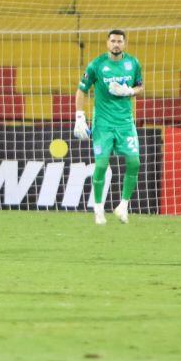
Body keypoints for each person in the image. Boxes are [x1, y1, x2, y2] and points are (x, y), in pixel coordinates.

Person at [74, 30, 143, 225]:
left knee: (134, 162)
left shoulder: (133, 63)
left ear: (124, 44)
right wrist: (80, 116)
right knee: (102, 165)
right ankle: (98, 209)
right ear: (107, 43)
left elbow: (140, 86)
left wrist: (129, 90)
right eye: (113, 41)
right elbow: (82, 89)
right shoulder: (96, 65)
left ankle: (123, 206)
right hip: (103, 124)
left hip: (125, 123)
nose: (116, 44)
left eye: (119, 41)